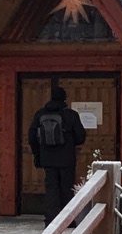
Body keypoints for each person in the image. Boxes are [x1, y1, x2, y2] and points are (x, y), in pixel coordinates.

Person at [28, 79, 87, 219]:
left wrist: (38, 156)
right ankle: (67, 220)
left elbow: (32, 137)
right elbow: (80, 137)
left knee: (51, 189)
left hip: (47, 159)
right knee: (67, 188)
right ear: (64, 98)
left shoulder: (40, 114)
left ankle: (50, 219)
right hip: (66, 159)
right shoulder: (71, 115)